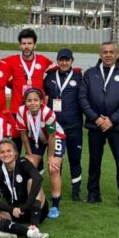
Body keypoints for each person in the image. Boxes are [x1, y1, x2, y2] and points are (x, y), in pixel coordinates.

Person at [78, 41, 119, 208]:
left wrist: (111, 120)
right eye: (105, 52)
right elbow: (83, 98)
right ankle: (93, 194)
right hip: (95, 125)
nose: (108, 55)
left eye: (111, 52)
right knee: (94, 162)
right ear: (100, 54)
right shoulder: (90, 74)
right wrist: (96, 118)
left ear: (116, 54)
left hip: (118, 126)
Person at [14, 87, 65, 219]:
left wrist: (51, 157)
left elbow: (52, 137)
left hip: (55, 137)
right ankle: (28, 199)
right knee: (27, 167)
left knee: (53, 168)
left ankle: (55, 205)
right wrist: (29, 154)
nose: (32, 103)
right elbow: (24, 135)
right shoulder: (20, 112)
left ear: (41, 101)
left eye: (35, 100)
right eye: (29, 100)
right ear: (25, 102)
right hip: (35, 139)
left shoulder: (48, 113)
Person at [42, 47, 84, 202]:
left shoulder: (80, 76)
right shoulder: (50, 77)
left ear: (72, 61)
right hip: (54, 126)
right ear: (57, 60)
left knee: (75, 159)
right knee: (56, 159)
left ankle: (76, 192)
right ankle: (55, 188)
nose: (64, 62)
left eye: (67, 60)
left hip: (74, 125)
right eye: (61, 59)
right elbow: (41, 95)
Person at [2, 28, 54, 141]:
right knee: (14, 149)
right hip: (17, 111)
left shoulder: (43, 60)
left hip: (37, 112)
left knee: (36, 150)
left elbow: (60, 67)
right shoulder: (11, 60)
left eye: (29, 43)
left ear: (35, 45)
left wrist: (77, 70)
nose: (26, 46)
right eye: (24, 43)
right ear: (19, 46)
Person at [0, 139, 48, 227]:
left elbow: (38, 178)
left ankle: (34, 225)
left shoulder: (23, 162)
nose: (6, 154)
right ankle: (9, 226)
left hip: (35, 209)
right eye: (2, 152)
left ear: (15, 152)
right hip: (15, 213)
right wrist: (11, 209)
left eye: (9, 151)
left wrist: (26, 205)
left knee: (32, 181)